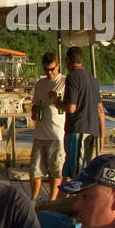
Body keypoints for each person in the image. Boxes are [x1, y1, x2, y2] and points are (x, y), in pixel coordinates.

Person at [62, 46, 104, 179]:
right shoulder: (92, 79)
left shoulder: (73, 77)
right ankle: (61, 198)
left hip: (78, 130)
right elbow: (100, 110)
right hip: (91, 130)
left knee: (77, 174)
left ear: (68, 61)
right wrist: (102, 137)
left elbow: (71, 108)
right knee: (77, 170)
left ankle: (76, 199)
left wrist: (57, 102)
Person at [30, 52, 67, 201]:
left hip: (57, 133)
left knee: (56, 170)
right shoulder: (40, 83)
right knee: (35, 170)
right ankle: (34, 198)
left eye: (52, 69)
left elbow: (68, 107)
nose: (49, 73)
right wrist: (34, 113)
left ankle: (52, 199)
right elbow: (35, 104)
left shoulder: (64, 82)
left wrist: (56, 99)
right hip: (40, 132)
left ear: (58, 66)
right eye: (46, 70)